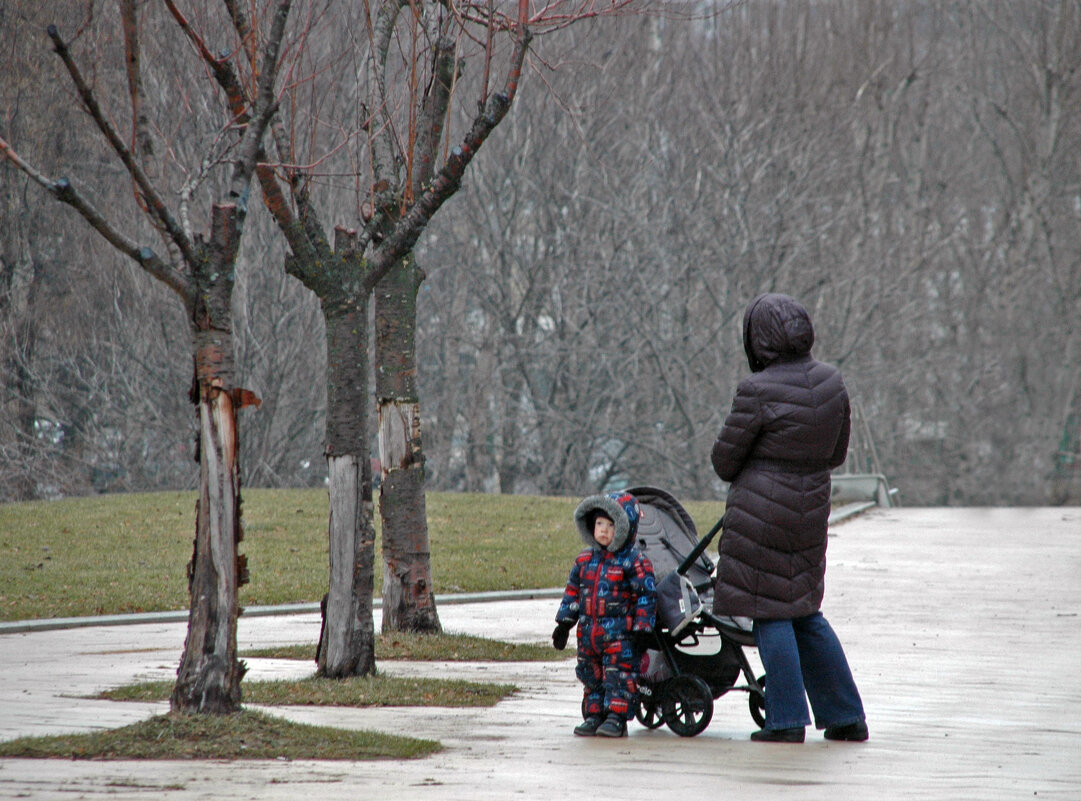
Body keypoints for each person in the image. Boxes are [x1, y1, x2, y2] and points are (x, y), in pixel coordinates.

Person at [711, 292, 868, 744]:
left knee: (770, 613)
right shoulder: (831, 381)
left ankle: (785, 720)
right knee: (804, 610)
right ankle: (845, 716)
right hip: (811, 508)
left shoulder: (756, 390)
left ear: (758, 339)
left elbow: (724, 461)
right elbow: (836, 452)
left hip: (761, 512)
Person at [552, 491, 657, 737]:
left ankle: (616, 717)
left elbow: (646, 595)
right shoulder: (584, 560)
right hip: (588, 634)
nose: (603, 530)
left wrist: (643, 628)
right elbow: (572, 593)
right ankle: (594, 715)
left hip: (620, 636)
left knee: (619, 676)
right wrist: (564, 623)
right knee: (591, 676)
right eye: (599, 524)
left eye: (611, 525)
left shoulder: (634, 561)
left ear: (624, 528)